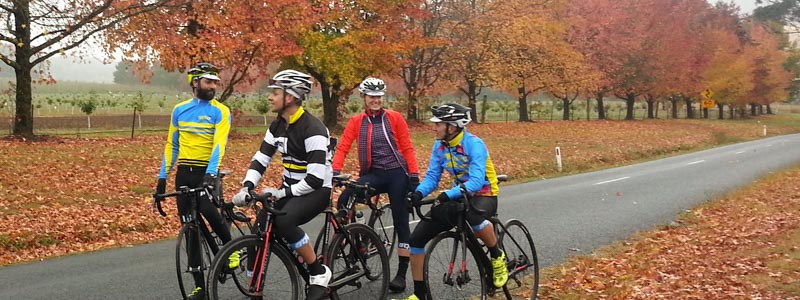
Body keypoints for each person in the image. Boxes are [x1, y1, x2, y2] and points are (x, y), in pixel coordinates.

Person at [231, 69, 333, 300]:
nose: (270, 97)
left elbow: (315, 179)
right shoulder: (277, 126)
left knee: (285, 221)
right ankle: (256, 287)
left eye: (276, 92)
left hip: (316, 190)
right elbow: (261, 159)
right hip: (291, 187)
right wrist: (247, 186)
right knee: (260, 226)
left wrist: (281, 192)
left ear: (291, 97)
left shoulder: (313, 129)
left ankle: (318, 273)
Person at [395, 103, 508, 300]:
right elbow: (432, 177)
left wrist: (449, 193)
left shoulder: (474, 144)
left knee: (473, 216)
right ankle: (419, 294)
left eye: (438, 124)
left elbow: (475, 181)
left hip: (484, 193)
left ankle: (497, 255)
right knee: (416, 240)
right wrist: (417, 194)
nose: (434, 127)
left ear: (452, 127)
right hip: (458, 195)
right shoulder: (439, 146)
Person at [153, 62, 235, 300]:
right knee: (190, 229)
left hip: (206, 171)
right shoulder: (180, 110)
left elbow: (219, 144)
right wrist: (162, 177)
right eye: (208, 82)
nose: (213, 87)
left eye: (215, 83)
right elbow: (172, 145)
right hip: (184, 173)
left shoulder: (220, 110)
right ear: (195, 82)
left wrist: (211, 174)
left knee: (209, 212)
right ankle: (200, 286)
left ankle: (231, 251)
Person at [332, 77, 420, 292]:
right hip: (375, 174)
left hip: (397, 174)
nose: (376, 100)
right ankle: (357, 239)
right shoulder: (356, 122)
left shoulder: (395, 118)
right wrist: (335, 170)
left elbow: (407, 147)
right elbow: (343, 147)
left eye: (379, 96)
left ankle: (401, 274)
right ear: (364, 97)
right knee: (346, 197)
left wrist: (414, 173)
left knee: (401, 222)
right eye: (372, 96)